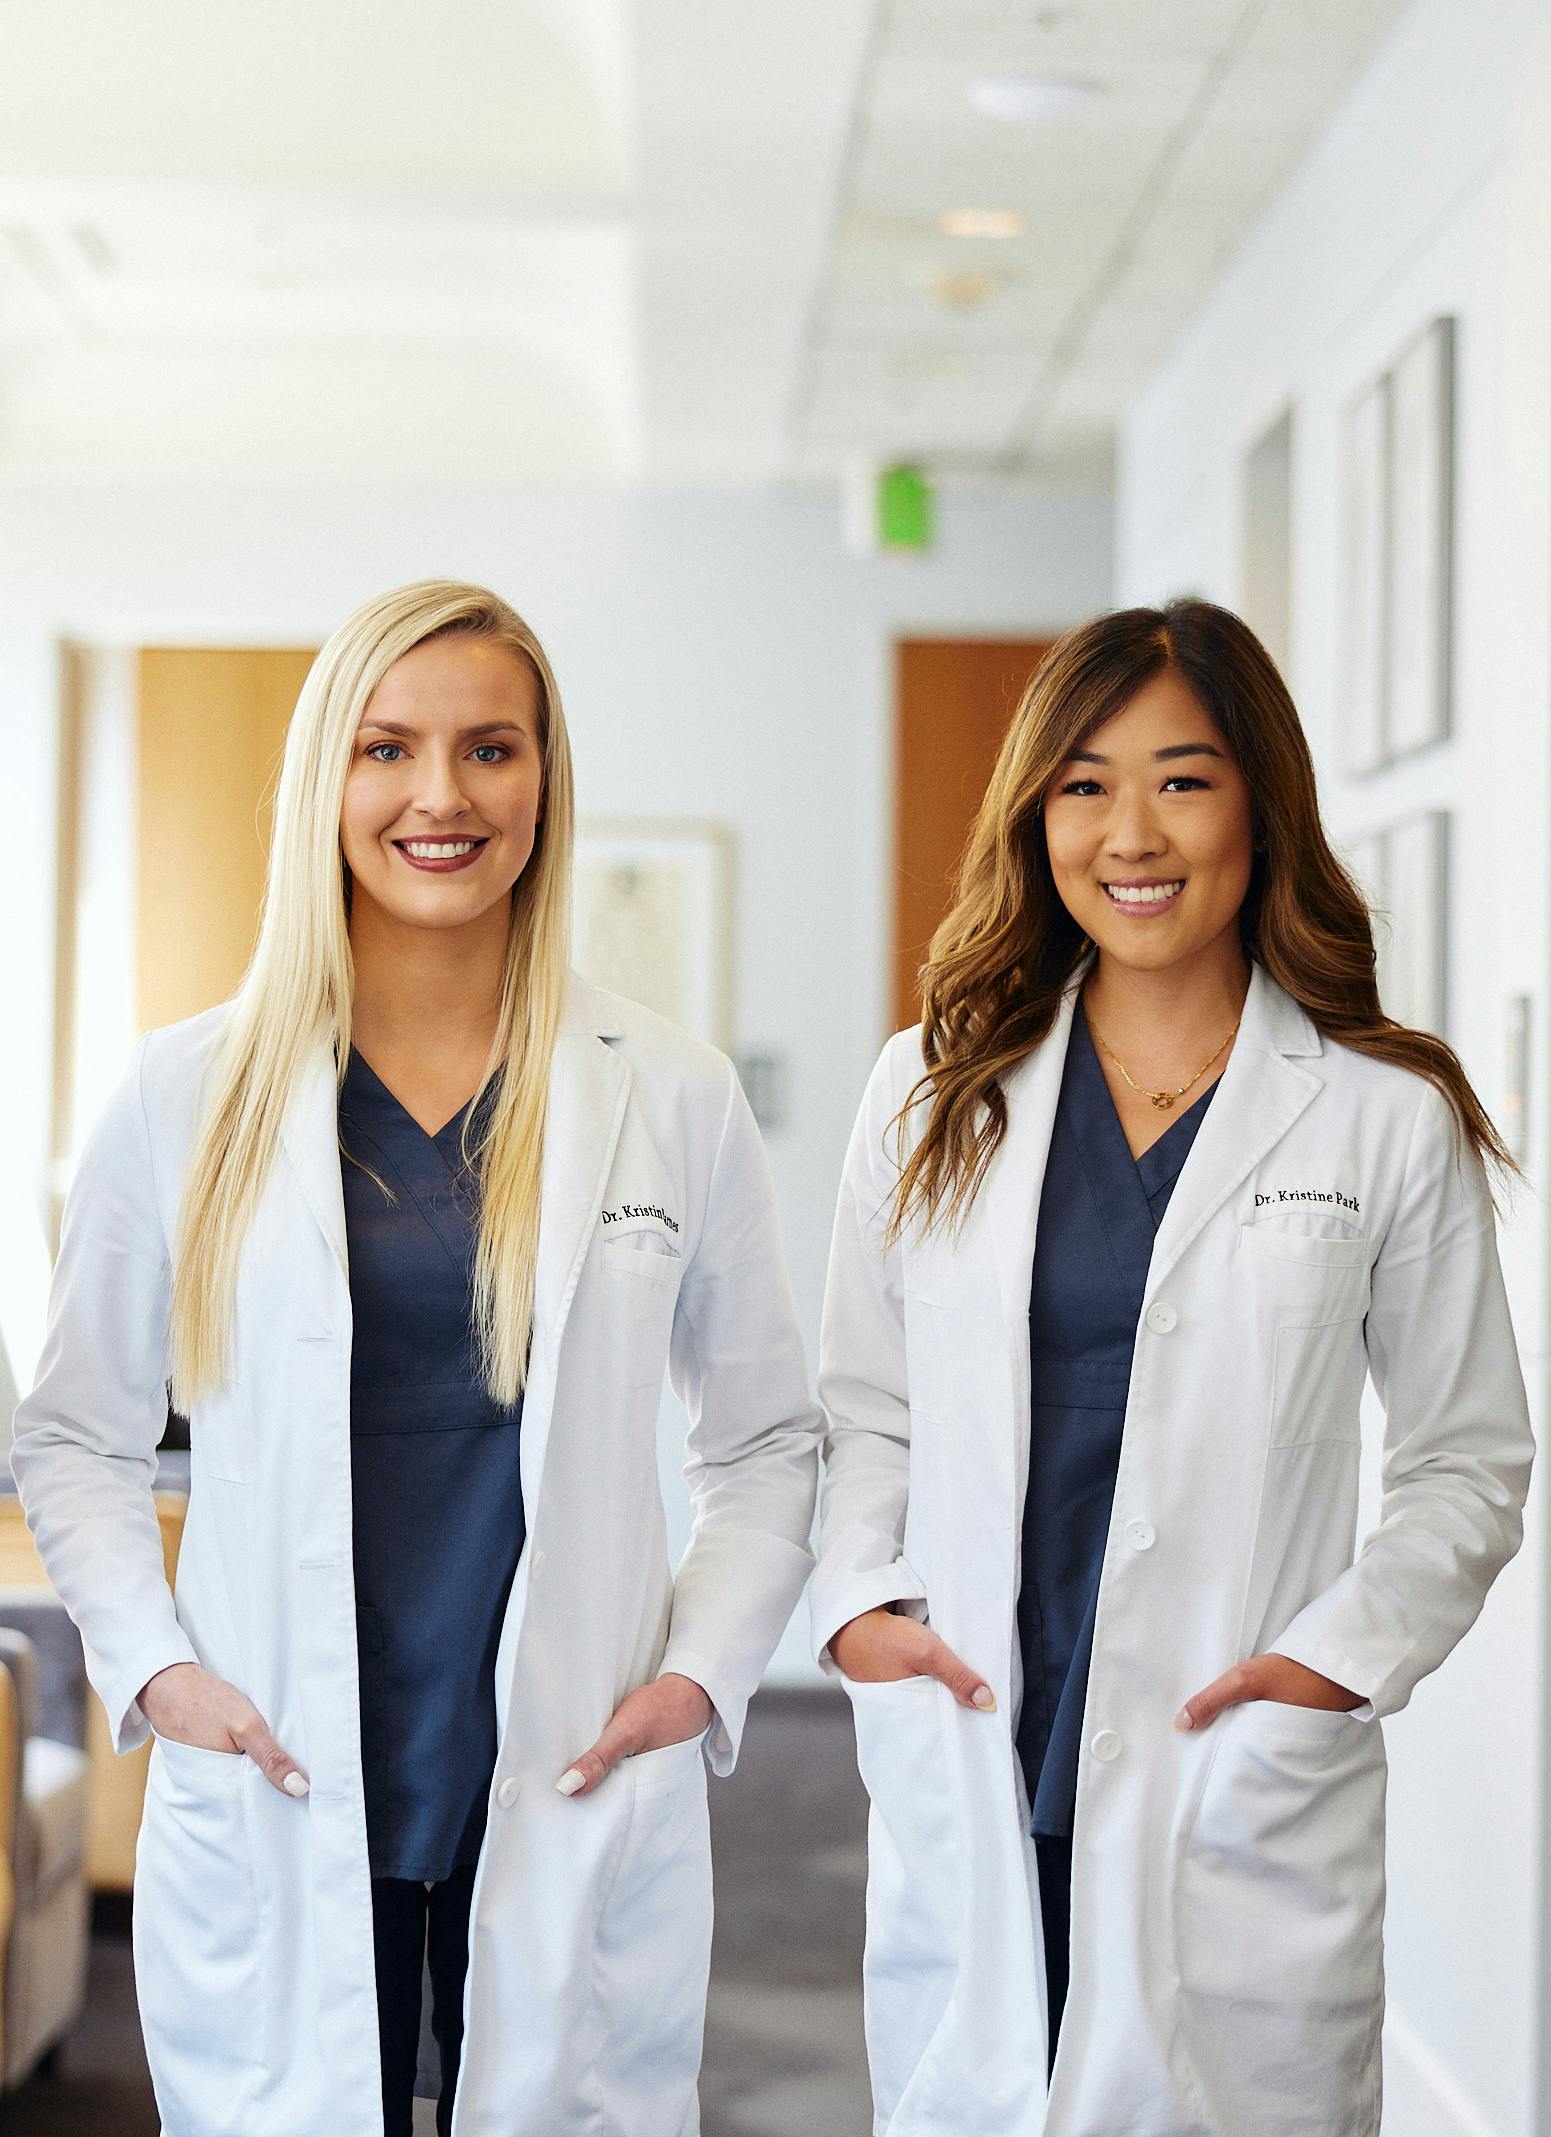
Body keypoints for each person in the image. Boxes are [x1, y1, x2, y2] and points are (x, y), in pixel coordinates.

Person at [12, 579, 821, 2137]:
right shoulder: (185, 1095)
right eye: (389, 749)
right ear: (328, 779)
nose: (441, 796)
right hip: (288, 1756)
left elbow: (769, 1437)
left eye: (489, 749)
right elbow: (77, 1435)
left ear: (545, 781)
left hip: (568, 1753)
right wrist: (158, 1668)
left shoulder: (668, 1089)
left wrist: (697, 1673)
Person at [811, 600, 1533, 2136]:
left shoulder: (1379, 1111)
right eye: (1083, 782)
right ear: (1035, 816)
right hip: (979, 1730)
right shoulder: (933, 1088)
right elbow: (861, 1403)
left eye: (1183, 779)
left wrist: (1334, 1661)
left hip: (1232, 1768)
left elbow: (1469, 1459)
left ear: (1262, 804)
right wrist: (863, 1607)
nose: (1130, 830)